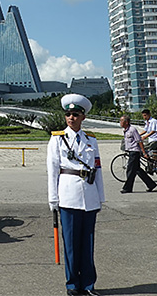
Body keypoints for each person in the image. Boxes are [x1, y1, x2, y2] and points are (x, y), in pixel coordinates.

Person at [47, 94, 105, 296]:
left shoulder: (91, 140)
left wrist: (100, 196)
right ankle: (72, 284)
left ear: (83, 117)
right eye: (68, 114)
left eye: (75, 114)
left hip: (89, 198)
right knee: (71, 244)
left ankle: (88, 285)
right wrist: (53, 199)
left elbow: (97, 168)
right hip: (68, 196)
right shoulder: (56, 139)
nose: (71, 117)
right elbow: (53, 170)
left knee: (88, 244)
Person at [120, 115, 157, 194]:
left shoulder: (132, 130)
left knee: (130, 170)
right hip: (131, 152)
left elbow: (139, 141)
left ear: (126, 122)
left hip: (135, 152)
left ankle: (127, 188)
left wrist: (143, 152)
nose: (120, 122)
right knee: (138, 170)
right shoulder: (125, 130)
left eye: (121, 121)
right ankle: (151, 184)